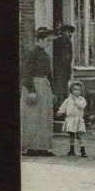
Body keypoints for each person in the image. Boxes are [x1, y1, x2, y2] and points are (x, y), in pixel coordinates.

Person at [22, 27, 57, 156]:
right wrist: (31, 90)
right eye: (47, 40)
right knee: (33, 117)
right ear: (39, 40)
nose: (48, 43)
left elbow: (50, 74)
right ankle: (31, 147)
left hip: (45, 87)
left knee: (45, 117)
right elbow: (26, 73)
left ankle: (43, 147)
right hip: (34, 87)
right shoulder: (31, 53)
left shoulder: (46, 55)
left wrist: (53, 91)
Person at [56, 81, 89, 158]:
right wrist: (60, 112)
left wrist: (75, 100)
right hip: (70, 119)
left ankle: (83, 150)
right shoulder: (68, 100)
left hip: (78, 120)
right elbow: (64, 107)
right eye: (75, 89)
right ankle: (71, 149)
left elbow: (81, 106)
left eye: (79, 90)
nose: (77, 91)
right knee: (71, 135)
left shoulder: (82, 99)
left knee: (79, 135)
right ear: (71, 90)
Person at [52, 24, 74, 102]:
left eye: (71, 32)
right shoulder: (56, 42)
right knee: (58, 94)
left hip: (66, 72)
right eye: (68, 32)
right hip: (58, 72)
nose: (70, 34)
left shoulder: (69, 43)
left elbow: (69, 59)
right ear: (63, 32)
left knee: (65, 95)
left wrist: (69, 72)